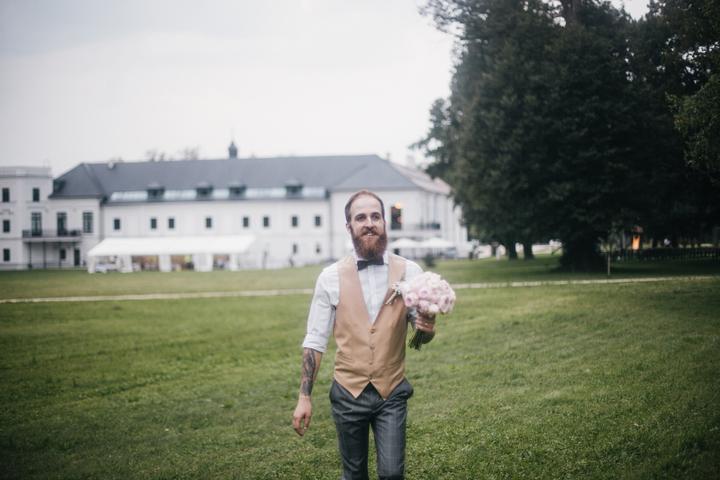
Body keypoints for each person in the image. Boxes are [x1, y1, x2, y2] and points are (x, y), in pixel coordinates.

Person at [292, 190, 436, 480]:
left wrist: (427, 328)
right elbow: (315, 341)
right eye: (360, 218)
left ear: (384, 222)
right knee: (354, 474)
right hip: (347, 393)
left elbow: (420, 335)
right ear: (349, 227)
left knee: (392, 474)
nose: (369, 223)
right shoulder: (330, 277)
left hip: (391, 391)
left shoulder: (410, 271)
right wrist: (304, 397)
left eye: (375, 216)